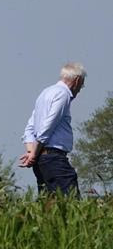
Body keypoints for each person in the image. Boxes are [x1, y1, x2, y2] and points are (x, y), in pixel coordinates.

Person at [19, 62, 86, 197]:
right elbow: (47, 127)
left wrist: (31, 151)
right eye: (82, 85)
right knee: (70, 201)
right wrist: (33, 153)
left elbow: (30, 127)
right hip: (53, 158)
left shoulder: (45, 93)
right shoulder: (63, 94)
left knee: (49, 204)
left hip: (41, 159)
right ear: (77, 80)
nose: (80, 89)